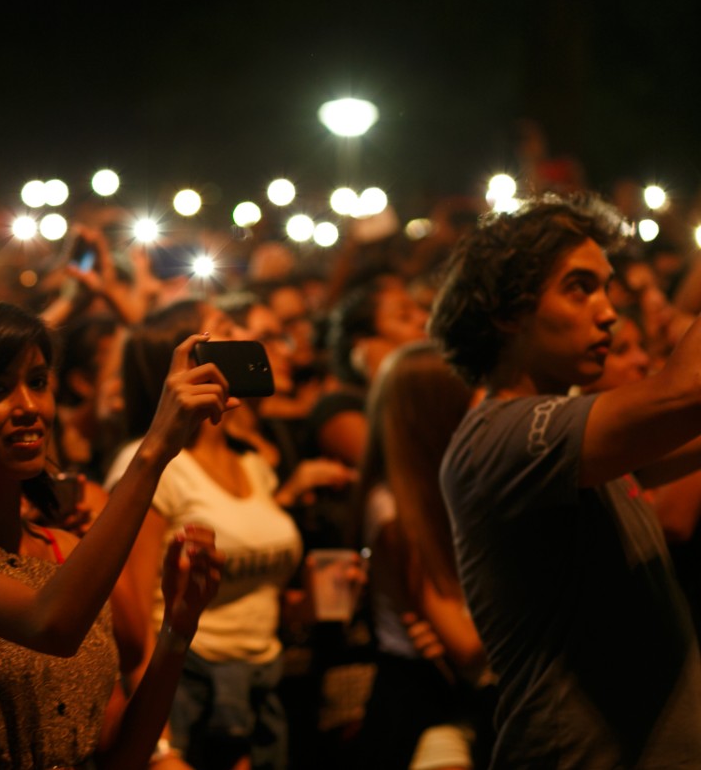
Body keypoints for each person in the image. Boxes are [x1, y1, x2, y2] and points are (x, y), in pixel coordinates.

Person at [0, 300, 230, 769]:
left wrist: (180, 625)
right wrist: (154, 449)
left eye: (37, 382)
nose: (30, 408)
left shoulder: (64, 550)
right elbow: (49, 625)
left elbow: (121, 758)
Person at [430, 193, 701, 768]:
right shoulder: (500, 437)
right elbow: (690, 393)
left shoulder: (570, 435)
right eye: (580, 288)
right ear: (508, 312)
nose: (608, 313)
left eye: (607, 288)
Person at [108, 299, 335, 770]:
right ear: (186, 360)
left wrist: (308, 602)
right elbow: (131, 613)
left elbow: (244, 590)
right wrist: (161, 747)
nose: (251, 340)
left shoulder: (253, 462)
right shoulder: (152, 463)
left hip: (260, 685)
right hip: (186, 690)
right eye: (226, 328)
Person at [355, 341, 490, 770]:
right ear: (440, 412)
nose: (484, 406)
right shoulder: (395, 511)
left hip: (456, 696)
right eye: (472, 394)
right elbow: (464, 644)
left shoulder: (448, 492)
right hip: (421, 702)